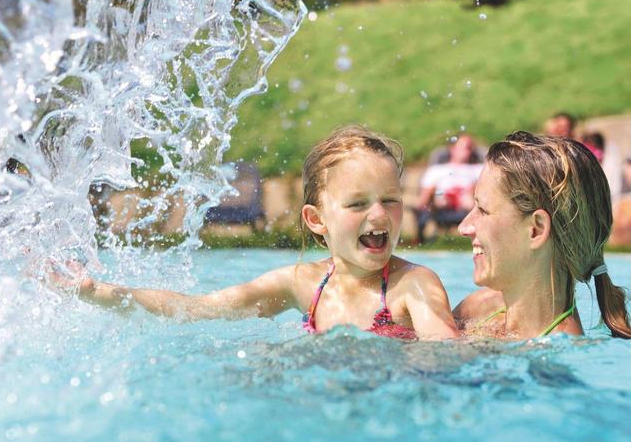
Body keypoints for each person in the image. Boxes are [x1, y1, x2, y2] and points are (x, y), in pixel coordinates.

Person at [46, 125, 459, 340]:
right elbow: (202, 309)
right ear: (317, 220)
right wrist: (97, 291)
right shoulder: (304, 284)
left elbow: (444, 351)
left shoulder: (412, 286)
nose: (379, 215)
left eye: (390, 199)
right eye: (357, 204)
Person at [454, 131, 631, 339]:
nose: (464, 227)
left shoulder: (555, 356)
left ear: (536, 230)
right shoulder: (479, 308)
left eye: (483, 210)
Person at [415, 133, 483, 241]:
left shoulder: (478, 169)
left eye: (470, 148)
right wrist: (421, 207)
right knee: (440, 194)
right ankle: (420, 237)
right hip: (442, 197)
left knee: (467, 197)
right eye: (464, 147)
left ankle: (479, 236)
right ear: (452, 149)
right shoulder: (437, 170)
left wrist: (473, 188)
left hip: (467, 198)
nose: (468, 151)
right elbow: (425, 194)